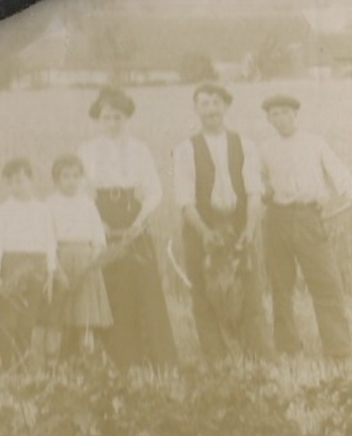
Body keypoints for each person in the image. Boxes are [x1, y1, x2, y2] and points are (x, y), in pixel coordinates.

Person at [77, 86, 180, 368]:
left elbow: (154, 190)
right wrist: (100, 226)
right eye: (107, 117)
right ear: (99, 118)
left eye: (118, 117)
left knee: (144, 284)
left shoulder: (139, 149)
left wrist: (139, 221)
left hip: (133, 218)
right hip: (102, 218)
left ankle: (160, 358)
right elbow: (82, 192)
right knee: (114, 288)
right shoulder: (87, 151)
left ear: (127, 118)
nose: (113, 123)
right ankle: (123, 358)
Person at [170, 83, 270, 361]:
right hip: (200, 228)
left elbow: (254, 193)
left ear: (225, 107)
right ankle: (216, 359)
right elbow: (185, 202)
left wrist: (249, 230)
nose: (211, 109)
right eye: (204, 103)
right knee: (203, 296)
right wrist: (205, 234)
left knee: (250, 293)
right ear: (196, 109)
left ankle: (260, 356)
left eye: (216, 103)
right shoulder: (185, 150)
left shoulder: (246, 145)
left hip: (239, 226)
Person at [259, 93, 352, 360]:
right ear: (269, 120)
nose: (279, 119)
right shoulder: (266, 148)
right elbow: (258, 183)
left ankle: (339, 351)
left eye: (284, 113)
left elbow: (340, 175)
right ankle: (288, 348)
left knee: (326, 283)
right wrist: (264, 192)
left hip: (308, 219)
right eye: (274, 115)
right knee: (281, 287)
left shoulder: (315, 144)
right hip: (277, 220)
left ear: (295, 114)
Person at [0, 157, 57, 365]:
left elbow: (50, 241)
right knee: (9, 320)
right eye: (11, 182)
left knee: (28, 320)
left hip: (37, 267)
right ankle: (6, 363)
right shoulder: (1, 212)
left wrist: (50, 272)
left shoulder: (43, 210)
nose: (16, 186)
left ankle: (21, 362)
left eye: (20, 180)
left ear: (31, 180)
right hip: (11, 266)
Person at [48, 153, 114, 357]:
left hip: (86, 262)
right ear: (57, 180)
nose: (71, 181)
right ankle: (52, 362)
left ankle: (86, 360)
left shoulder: (87, 203)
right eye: (66, 176)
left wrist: (93, 262)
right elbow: (47, 240)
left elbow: (98, 237)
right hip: (61, 261)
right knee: (57, 315)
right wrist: (57, 270)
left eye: (76, 176)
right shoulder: (50, 204)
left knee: (86, 317)